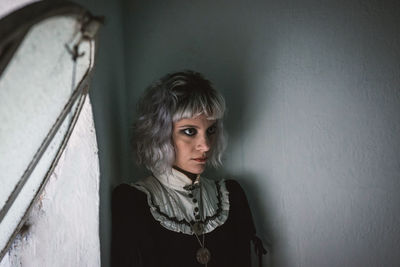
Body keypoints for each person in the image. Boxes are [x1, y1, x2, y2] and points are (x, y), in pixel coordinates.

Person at [111, 71, 266, 267]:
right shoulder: (133, 201)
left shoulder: (231, 196)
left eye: (210, 130)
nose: (206, 145)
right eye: (190, 131)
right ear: (160, 134)